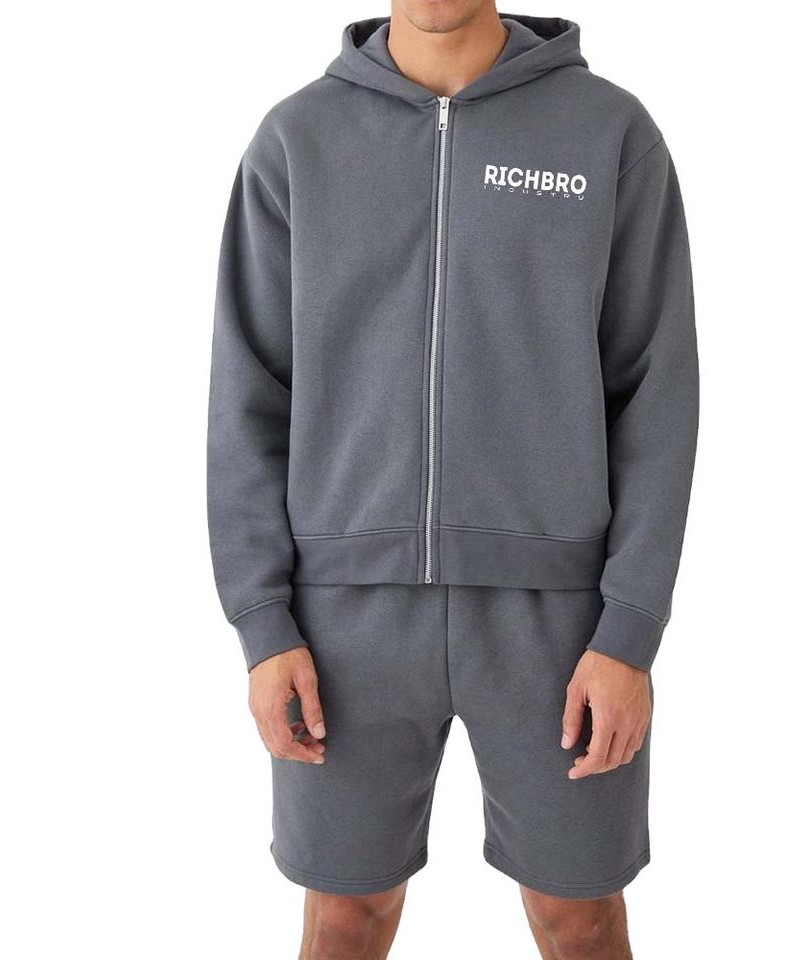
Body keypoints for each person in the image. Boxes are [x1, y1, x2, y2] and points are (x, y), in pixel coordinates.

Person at [208, 2, 698, 956]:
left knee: (579, 920)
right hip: (342, 626)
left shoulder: (608, 133)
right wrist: (262, 625)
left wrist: (630, 633)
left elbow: (657, 395)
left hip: (559, 628)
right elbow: (247, 397)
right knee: (344, 921)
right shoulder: (296, 141)